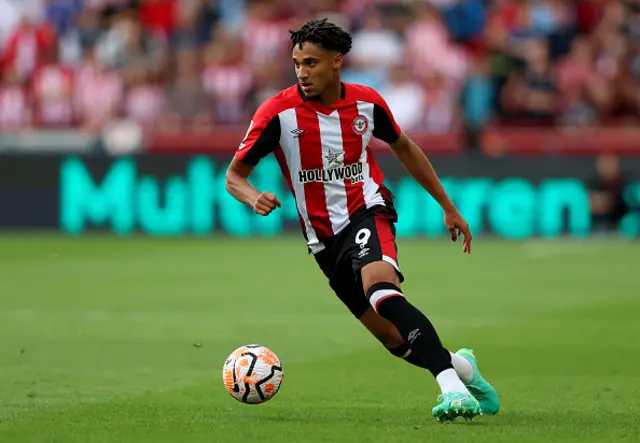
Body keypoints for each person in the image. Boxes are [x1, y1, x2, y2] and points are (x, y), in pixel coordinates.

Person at [225, 18, 499, 422]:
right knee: (392, 338)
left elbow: (404, 147)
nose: (302, 72)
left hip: (367, 209)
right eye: (297, 63)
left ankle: (453, 391)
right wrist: (253, 197)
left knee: (379, 288)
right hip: (322, 240)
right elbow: (234, 175)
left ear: (337, 62)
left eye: (312, 63)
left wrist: (447, 205)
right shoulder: (277, 113)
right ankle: (464, 369)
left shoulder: (367, 103)